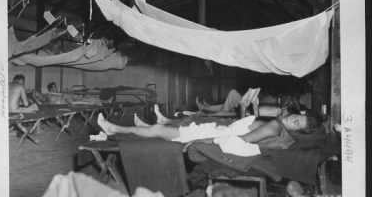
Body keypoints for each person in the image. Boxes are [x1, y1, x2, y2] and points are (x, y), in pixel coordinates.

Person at [97, 104, 320, 146]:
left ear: (296, 129)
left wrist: (204, 141)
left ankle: (113, 129)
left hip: (213, 136)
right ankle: (113, 130)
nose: (292, 119)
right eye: (296, 117)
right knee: (160, 130)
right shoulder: (275, 122)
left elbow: (242, 141)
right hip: (215, 131)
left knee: (158, 131)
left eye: (297, 123)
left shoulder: (274, 126)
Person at [195, 88, 261, 118]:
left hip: (247, 108)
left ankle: (205, 108)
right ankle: (206, 107)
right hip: (248, 107)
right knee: (227, 104)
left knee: (233, 93)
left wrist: (204, 115)